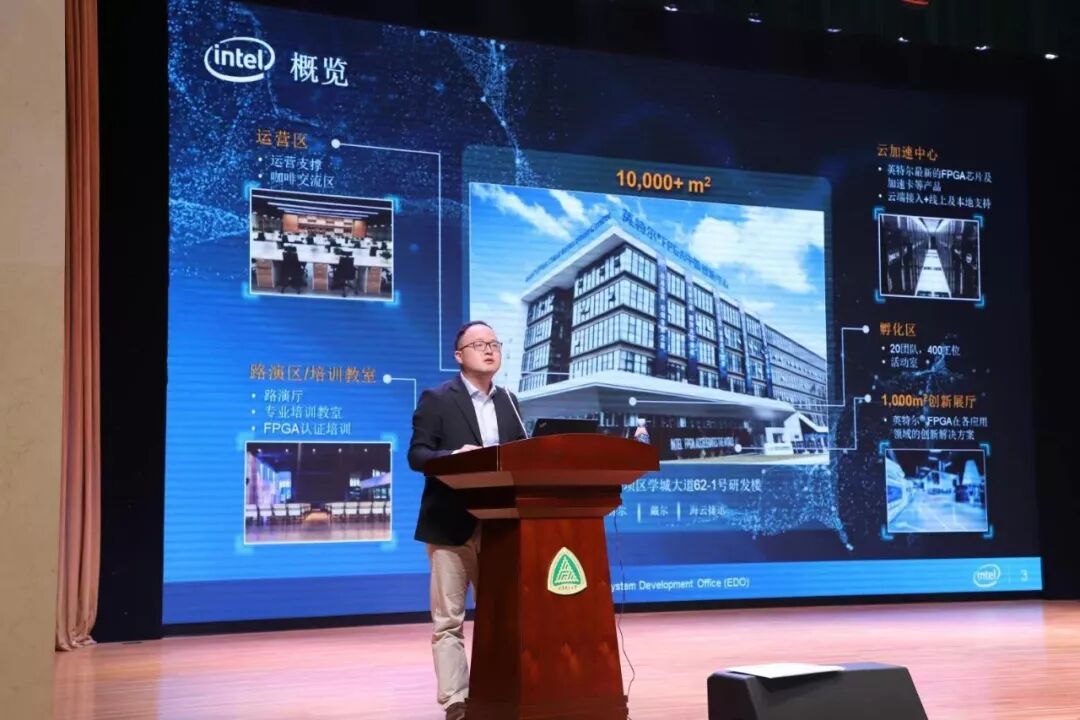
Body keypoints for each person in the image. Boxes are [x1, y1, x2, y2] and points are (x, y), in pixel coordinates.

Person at [407, 321, 528, 720]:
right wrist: (453, 458)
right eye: (479, 344)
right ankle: (456, 702)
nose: (489, 350)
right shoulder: (438, 399)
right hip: (451, 523)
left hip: (502, 526)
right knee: (449, 621)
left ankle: (505, 692)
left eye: (494, 343)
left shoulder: (509, 401)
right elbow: (417, 456)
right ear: (459, 355)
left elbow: (524, 456)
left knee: (506, 617)